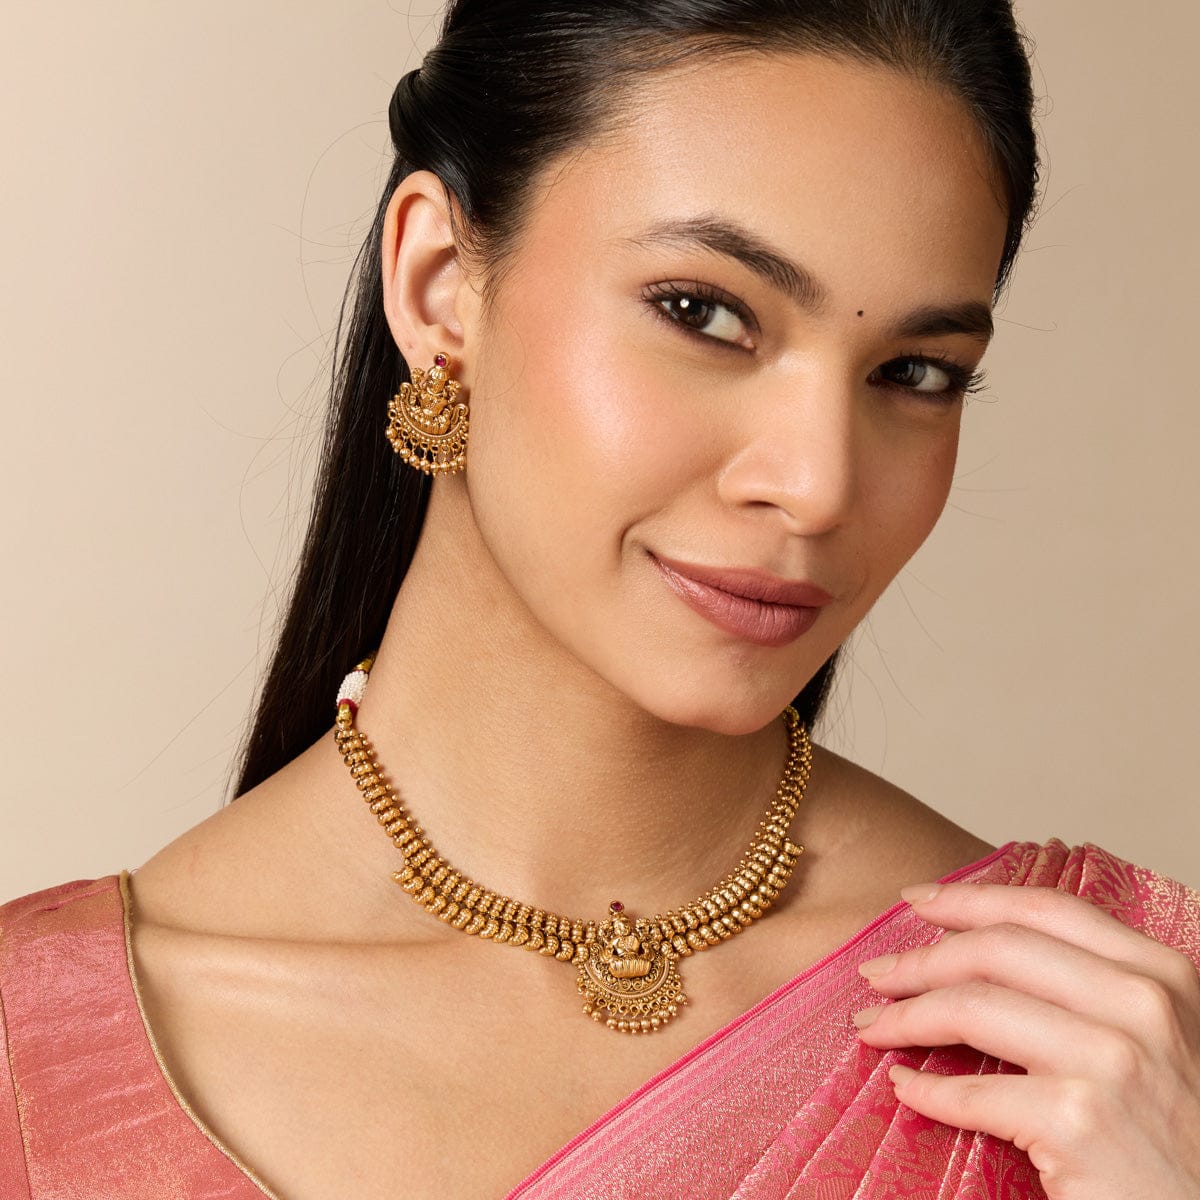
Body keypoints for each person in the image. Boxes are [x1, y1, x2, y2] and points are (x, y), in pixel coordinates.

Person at [2, 2, 1198, 1197]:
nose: (818, 485)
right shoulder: (33, 1076)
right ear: (438, 288)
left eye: (915, 373)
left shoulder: (1116, 1046)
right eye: (704, 313)